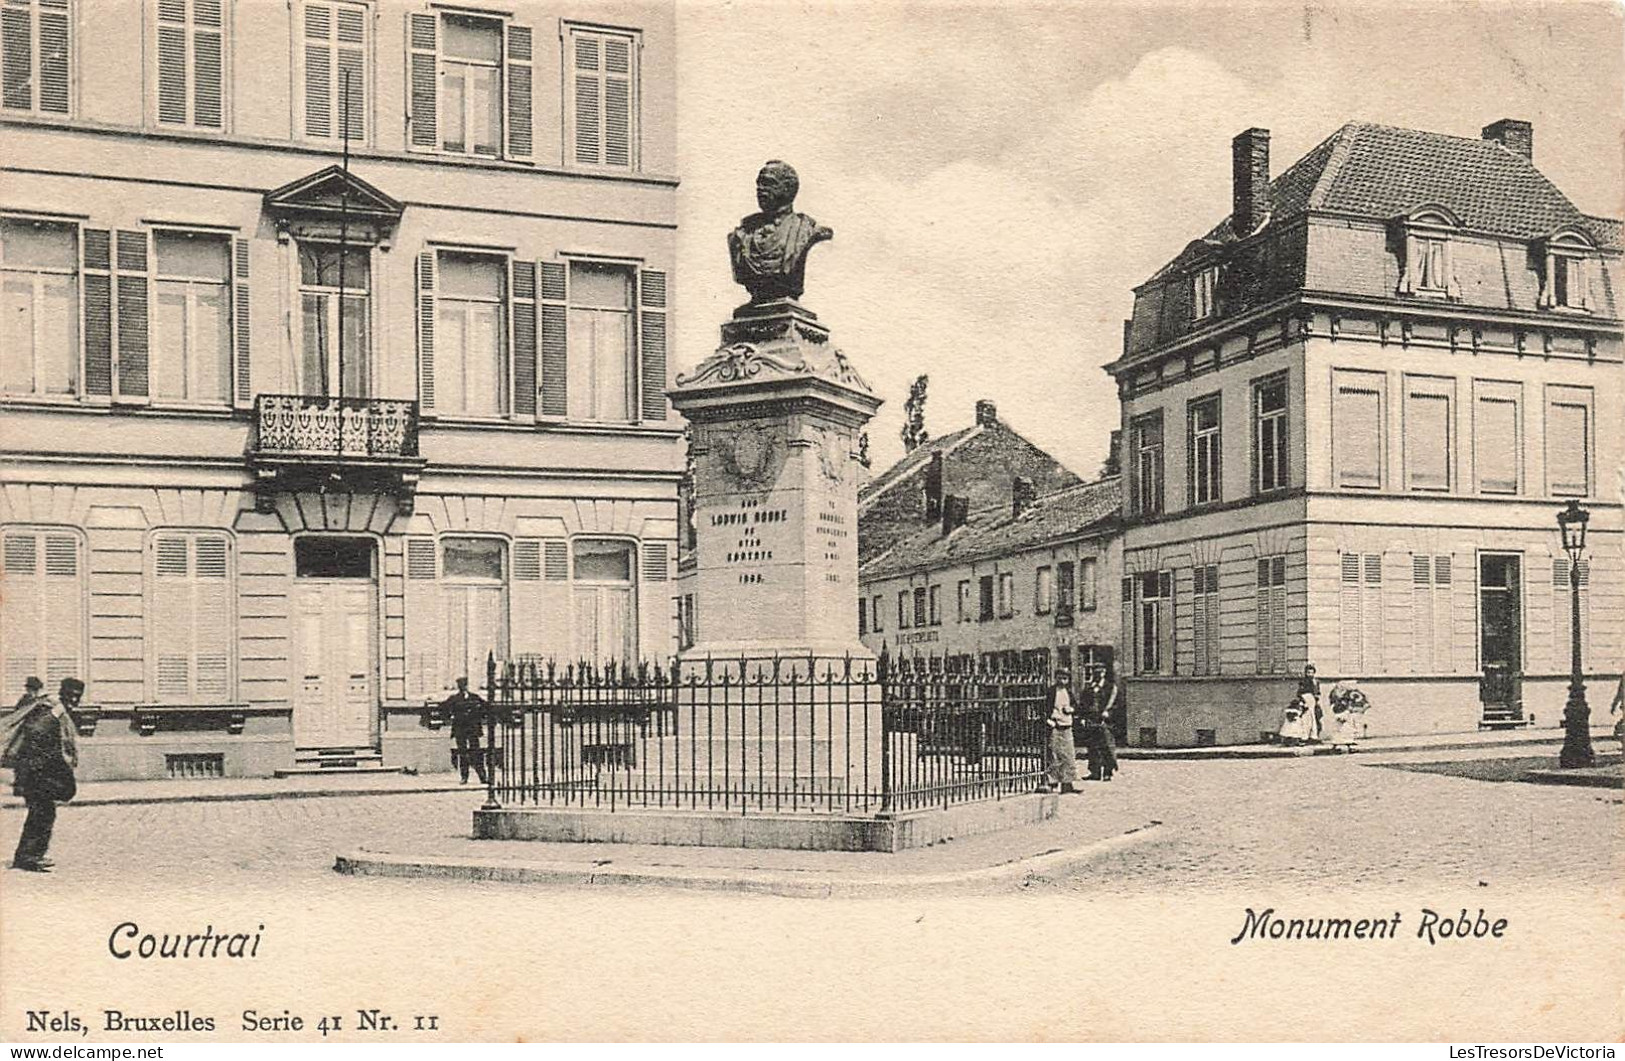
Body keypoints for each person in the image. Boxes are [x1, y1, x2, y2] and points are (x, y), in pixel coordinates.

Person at [3, 677, 82, 872]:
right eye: (71, 695)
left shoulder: (56, 709)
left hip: (38, 772)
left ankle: (31, 855)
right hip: (38, 773)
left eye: (78, 697)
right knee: (41, 814)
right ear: (63, 692)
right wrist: (48, 760)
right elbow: (37, 732)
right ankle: (28, 857)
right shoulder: (54, 710)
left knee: (42, 813)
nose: (74, 700)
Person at [727, 160, 834, 303]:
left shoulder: (805, 229)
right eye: (758, 183)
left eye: (768, 183)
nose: (760, 189)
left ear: (788, 188)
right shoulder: (742, 235)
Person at [441, 677, 490, 785]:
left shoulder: (474, 697)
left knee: (476, 752)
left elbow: (485, 707)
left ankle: (482, 776)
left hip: (473, 729)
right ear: (459, 687)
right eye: (461, 685)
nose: (463, 687)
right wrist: (451, 717)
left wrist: (479, 717)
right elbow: (444, 708)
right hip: (460, 729)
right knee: (462, 753)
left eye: (464, 685)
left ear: (467, 686)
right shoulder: (454, 698)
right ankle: (464, 777)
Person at [1041, 669, 1079, 794]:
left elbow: (1076, 706)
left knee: (1068, 756)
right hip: (1055, 725)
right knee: (1054, 755)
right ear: (1055, 678)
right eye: (1059, 678)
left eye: (1065, 678)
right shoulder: (1051, 692)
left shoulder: (1069, 692)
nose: (1062, 681)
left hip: (1067, 726)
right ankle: (1052, 782)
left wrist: (1071, 709)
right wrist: (1048, 721)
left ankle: (1067, 783)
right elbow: (1044, 708)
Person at [1083, 666, 1120, 781]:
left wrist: (1109, 713)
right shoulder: (1089, 688)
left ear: (1104, 673)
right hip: (1092, 720)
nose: (1098, 675)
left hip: (1106, 721)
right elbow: (1083, 704)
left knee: (1107, 747)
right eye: (1095, 672)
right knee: (1093, 747)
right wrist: (1083, 717)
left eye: (1100, 672)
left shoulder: (1110, 687)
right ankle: (1095, 772)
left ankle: (1108, 772)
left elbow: (1117, 704)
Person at [1296, 664, 1323, 742]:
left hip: (1314, 702)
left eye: (1312, 672)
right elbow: (1299, 693)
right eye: (1308, 672)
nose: (1310, 674)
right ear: (1305, 673)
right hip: (1306, 702)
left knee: (1316, 718)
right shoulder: (1303, 682)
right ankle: (1304, 736)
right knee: (1306, 719)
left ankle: (1314, 736)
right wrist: (1303, 701)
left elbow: (1318, 692)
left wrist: (1317, 698)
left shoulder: (1316, 682)